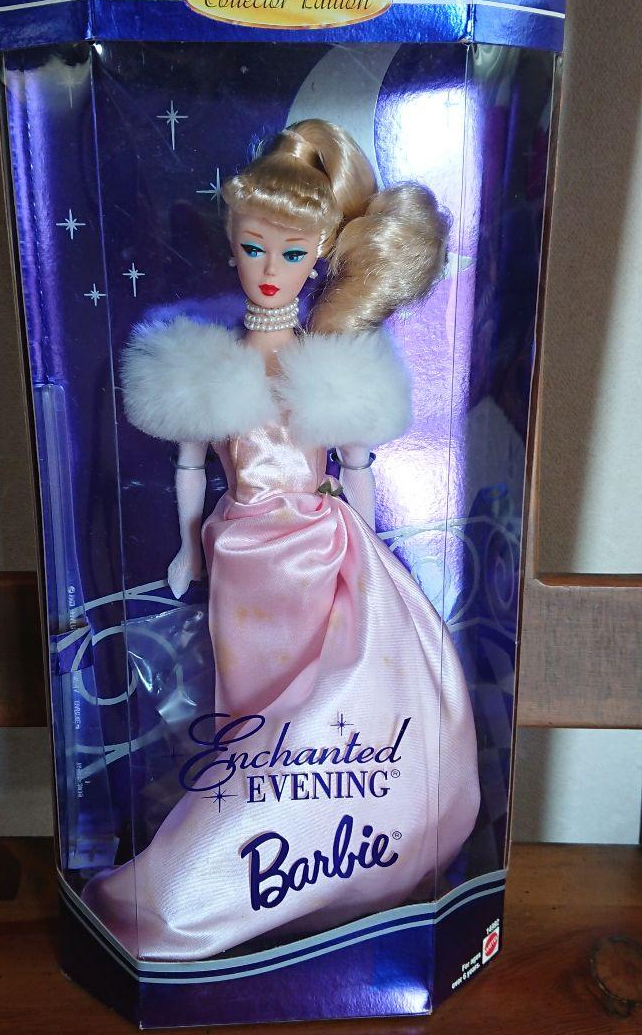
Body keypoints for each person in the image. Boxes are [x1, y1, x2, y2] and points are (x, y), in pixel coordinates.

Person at [82, 119, 480, 961]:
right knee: (252, 717)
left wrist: (370, 552)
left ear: (323, 254)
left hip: (324, 551)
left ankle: (335, 867)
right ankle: (266, 867)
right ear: (231, 243)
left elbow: (358, 466)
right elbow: (191, 467)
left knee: (333, 707)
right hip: (241, 560)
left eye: (292, 254)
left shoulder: (331, 363)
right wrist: (189, 549)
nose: (270, 270)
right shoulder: (206, 362)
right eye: (255, 249)